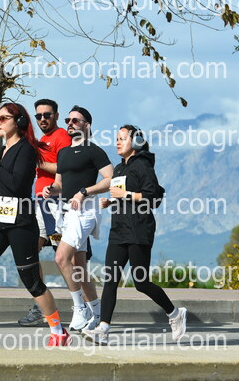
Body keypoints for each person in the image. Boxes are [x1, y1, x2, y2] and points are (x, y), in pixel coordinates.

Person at [0, 102, 70, 347]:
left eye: (3, 118)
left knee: (32, 282)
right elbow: (8, 182)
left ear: (18, 122)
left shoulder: (26, 149)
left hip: (20, 222)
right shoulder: (3, 148)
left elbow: (17, 185)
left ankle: (58, 331)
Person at [82, 125, 187, 345]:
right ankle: (103, 329)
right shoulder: (120, 168)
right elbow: (123, 196)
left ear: (136, 141)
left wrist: (125, 194)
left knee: (141, 282)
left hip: (139, 229)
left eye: (122, 138)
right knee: (110, 280)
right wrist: (112, 201)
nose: (117, 142)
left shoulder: (143, 165)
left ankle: (175, 313)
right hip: (119, 230)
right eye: (116, 138)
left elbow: (153, 197)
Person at [17, 99, 96, 327]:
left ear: (56, 116)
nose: (42, 119)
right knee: (30, 252)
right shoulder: (41, 140)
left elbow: (65, 168)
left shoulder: (61, 136)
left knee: (69, 259)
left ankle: (89, 309)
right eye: (39, 116)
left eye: (47, 115)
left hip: (57, 205)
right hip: (40, 204)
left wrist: (37, 161)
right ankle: (42, 306)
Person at [43, 105, 113, 332]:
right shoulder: (63, 153)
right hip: (66, 212)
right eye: (68, 120)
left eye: (75, 120)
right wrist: (51, 189)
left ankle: (80, 308)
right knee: (79, 267)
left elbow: (110, 179)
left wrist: (84, 192)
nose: (70, 124)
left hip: (86, 211)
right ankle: (97, 314)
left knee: (61, 258)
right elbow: (60, 184)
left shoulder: (94, 151)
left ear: (86, 125)